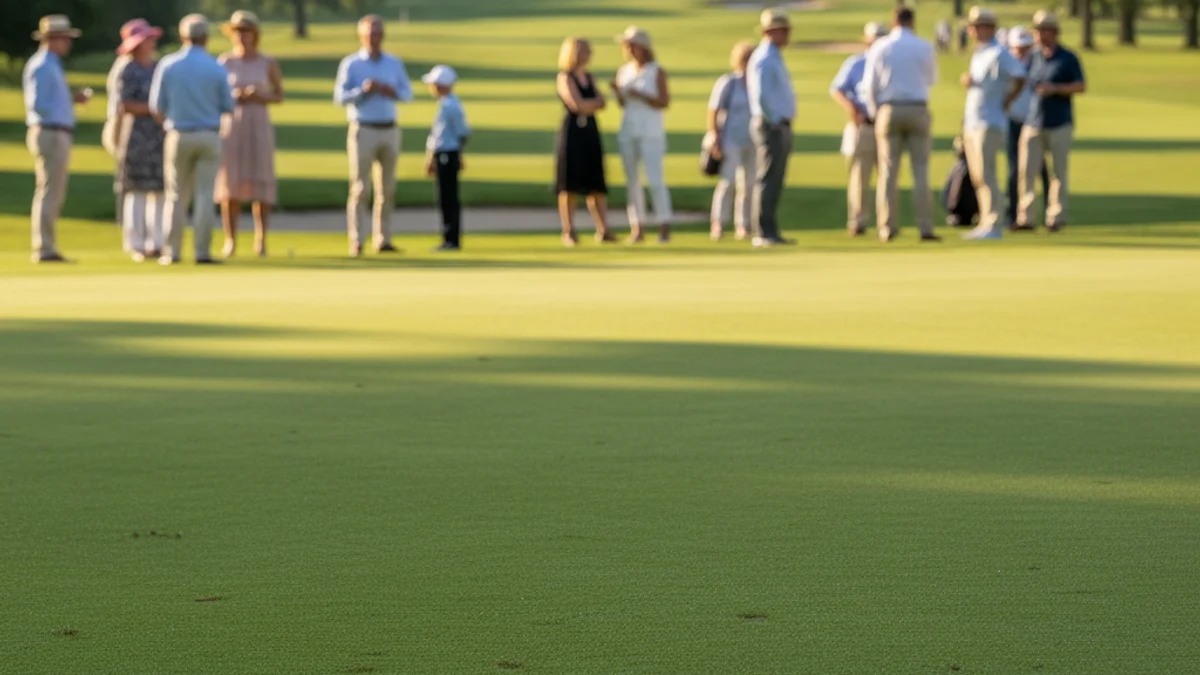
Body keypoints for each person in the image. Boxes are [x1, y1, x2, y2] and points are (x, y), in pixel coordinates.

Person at [150, 14, 234, 265]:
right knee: (205, 195)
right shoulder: (216, 66)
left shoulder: (168, 64)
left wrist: (168, 124)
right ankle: (202, 252)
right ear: (206, 38)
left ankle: (172, 252)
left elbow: (156, 106)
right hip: (208, 134)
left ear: (182, 36)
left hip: (178, 134)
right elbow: (228, 105)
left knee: (176, 195)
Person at [334, 15, 414, 257]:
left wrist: (392, 91)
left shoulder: (393, 62)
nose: (374, 38)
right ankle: (357, 240)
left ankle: (383, 238)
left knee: (387, 189)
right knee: (360, 188)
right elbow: (340, 97)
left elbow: (407, 94)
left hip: (389, 128)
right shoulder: (352, 64)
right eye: (370, 34)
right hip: (363, 128)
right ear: (361, 35)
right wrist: (363, 91)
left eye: (378, 34)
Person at [864, 6, 941, 243]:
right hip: (917, 108)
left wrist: (874, 113)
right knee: (920, 171)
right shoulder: (925, 46)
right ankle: (925, 228)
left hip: (890, 108)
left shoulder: (881, 46)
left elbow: (870, 86)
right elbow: (931, 79)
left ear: (893, 21)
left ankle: (886, 227)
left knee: (888, 172)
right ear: (912, 22)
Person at [215, 11, 284, 258]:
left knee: (260, 180)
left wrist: (260, 95)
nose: (242, 36)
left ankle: (261, 238)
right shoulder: (225, 62)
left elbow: (279, 95)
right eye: (238, 32)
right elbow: (216, 94)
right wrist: (236, 95)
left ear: (255, 34)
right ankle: (230, 239)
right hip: (233, 123)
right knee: (229, 183)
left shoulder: (267, 62)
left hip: (258, 121)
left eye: (247, 31)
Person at [23, 15, 91, 264]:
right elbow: (38, 104)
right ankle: (44, 248)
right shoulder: (42, 65)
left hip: (55, 130)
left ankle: (47, 246)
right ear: (52, 39)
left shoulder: (51, 64)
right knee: (49, 191)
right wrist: (60, 111)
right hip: (50, 131)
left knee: (52, 191)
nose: (68, 43)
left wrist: (70, 101)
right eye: (64, 38)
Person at [959, 6, 1026, 240]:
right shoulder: (979, 53)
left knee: (987, 173)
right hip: (973, 121)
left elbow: (1019, 76)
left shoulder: (999, 53)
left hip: (991, 120)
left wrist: (1007, 100)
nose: (973, 31)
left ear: (989, 28)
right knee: (977, 175)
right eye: (972, 27)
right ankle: (985, 220)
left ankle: (994, 223)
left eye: (978, 26)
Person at [1016, 10, 1086, 232]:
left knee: (1058, 173)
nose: (1038, 35)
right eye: (1037, 30)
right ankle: (1025, 218)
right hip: (1033, 122)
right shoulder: (1033, 57)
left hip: (1059, 123)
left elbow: (1080, 86)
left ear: (1053, 32)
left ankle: (1055, 217)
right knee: (1026, 172)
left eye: (1042, 30)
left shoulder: (1067, 58)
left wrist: (1055, 89)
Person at [611, 26, 673, 244]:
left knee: (655, 179)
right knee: (632, 181)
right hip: (629, 129)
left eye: (632, 45)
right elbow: (622, 103)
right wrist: (618, 93)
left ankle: (664, 224)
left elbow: (664, 102)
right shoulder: (624, 71)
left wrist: (642, 95)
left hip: (651, 131)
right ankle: (637, 226)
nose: (628, 49)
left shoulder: (656, 71)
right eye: (626, 45)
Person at [113, 18, 166, 262]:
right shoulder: (128, 69)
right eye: (147, 39)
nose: (152, 42)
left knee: (159, 189)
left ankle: (156, 242)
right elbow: (125, 104)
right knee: (136, 190)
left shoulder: (158, 67)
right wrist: (154, 109)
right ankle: (136, 243)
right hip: (135, 135)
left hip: (159, 135)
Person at [829, 22, 888, 237]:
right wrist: (852, 109)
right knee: (859, 177)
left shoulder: (890, 63)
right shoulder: (857, 63)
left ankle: (886, 223)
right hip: (863, 125)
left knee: (887, 177)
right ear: (867, 41)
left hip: (885, 125)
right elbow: (837, 89)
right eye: (874, 40)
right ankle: (858, 221)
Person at [746, 8, 797, 248]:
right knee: (767, 178)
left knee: (775, 179)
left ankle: (771, 230)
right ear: (772, 32)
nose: (787, 35)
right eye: (784, 31)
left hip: (777, 123)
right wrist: (775, 119)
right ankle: (763, 232)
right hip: (770, 125)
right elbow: (762, 95)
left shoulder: (774, 55)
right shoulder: (765, 57)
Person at [554, 37, 611, 247]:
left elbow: (601, 102)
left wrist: (590, 104)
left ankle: (603, 229)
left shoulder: (588, 76)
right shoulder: (565, 77)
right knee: (569, 183)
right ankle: (568, 230)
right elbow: (576, 104)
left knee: (596, 182)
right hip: (572, 132)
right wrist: (591, 104)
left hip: (590, 130)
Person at [707, 41, 756, 241]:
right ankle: (718, 223)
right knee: (728, 182)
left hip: (753, 139)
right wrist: (715, 137)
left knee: (749, 184)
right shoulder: (729, 82)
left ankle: (743, 224)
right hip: (730, 139)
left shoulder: (758, 83)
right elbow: (714, 110)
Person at [422, 65, 470, 252]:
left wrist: (434, 158)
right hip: (448, 153)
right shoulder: (448, 103)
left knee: (448, 198)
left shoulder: (449, 106)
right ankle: (450, 238)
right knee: (447, 198)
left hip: (446, 155)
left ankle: (451, 239)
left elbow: (459, 132)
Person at [1004, 26, 1049, 229]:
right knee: (1015, 170)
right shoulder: (1006, 64)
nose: (1021, 51)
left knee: (1042, 169)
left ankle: (1051, 212)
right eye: (1017, 48)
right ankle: (1012, 214)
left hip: (1034, 121)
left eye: (1025, 47)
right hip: (1012, 121)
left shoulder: (1038, 64)